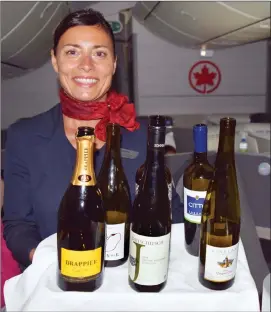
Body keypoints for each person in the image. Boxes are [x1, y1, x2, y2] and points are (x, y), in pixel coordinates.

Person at [3, 8, 183, 270]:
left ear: (113, 64)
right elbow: (18, 225)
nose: (86, 65)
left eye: (99, 53)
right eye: (72, 52)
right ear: (55, 61)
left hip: (134, 278)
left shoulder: (140, 134)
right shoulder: (25, 137)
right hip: (60, 281)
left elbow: (171, 214)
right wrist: (48, 261)